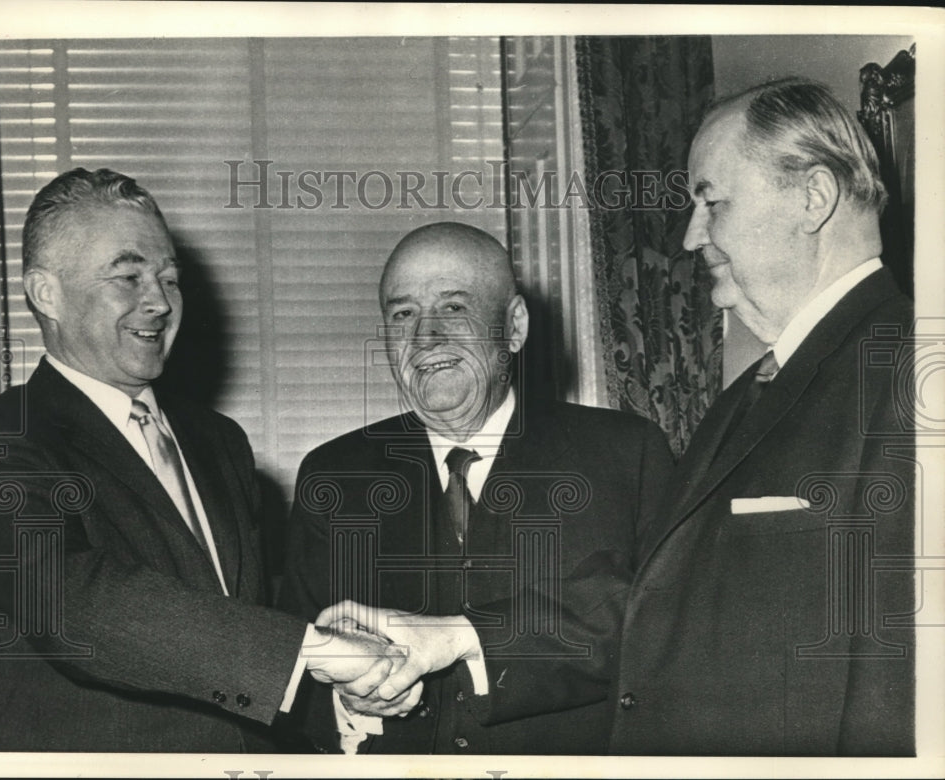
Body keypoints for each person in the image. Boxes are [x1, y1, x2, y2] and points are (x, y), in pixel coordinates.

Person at [327, 78, 916, 756]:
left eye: (711, 201)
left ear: (812, 197)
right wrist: (457, 637)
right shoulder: (753, 394)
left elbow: (900, 684)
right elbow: (651, 602)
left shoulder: (906, 371)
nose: (692, 236)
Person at [0, 168, 406, 752]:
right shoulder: (0, 437)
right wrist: (312, 649)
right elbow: (68, 602)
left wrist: (340, 696)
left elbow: (236, 649)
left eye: (170, 279)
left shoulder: (219, 441)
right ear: (46, 293)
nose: (158, 301)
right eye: (127, 276)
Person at [279, 222, 674, 754]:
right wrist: (351, 703)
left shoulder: (626, 455)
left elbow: (667, 628)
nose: (425, 338)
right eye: (403, 315)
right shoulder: (333, 475)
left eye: (453, 308)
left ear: (513, 326)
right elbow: (288, 668)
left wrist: (465, 636)